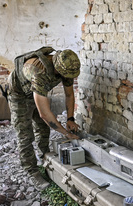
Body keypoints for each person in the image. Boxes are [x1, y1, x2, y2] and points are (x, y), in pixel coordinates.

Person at [7, 46, 80, 190]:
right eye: (65, 75)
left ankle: (45, 158)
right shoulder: (38, 71)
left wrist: (70, 118)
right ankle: (32, 171)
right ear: (57, 68)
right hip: (19, 95)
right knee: (25, 135)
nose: (67, 78)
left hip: (38, 91)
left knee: (43, 129)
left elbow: (70, 95)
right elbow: (45, 114)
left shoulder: (67, 67)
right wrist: (66, 133)